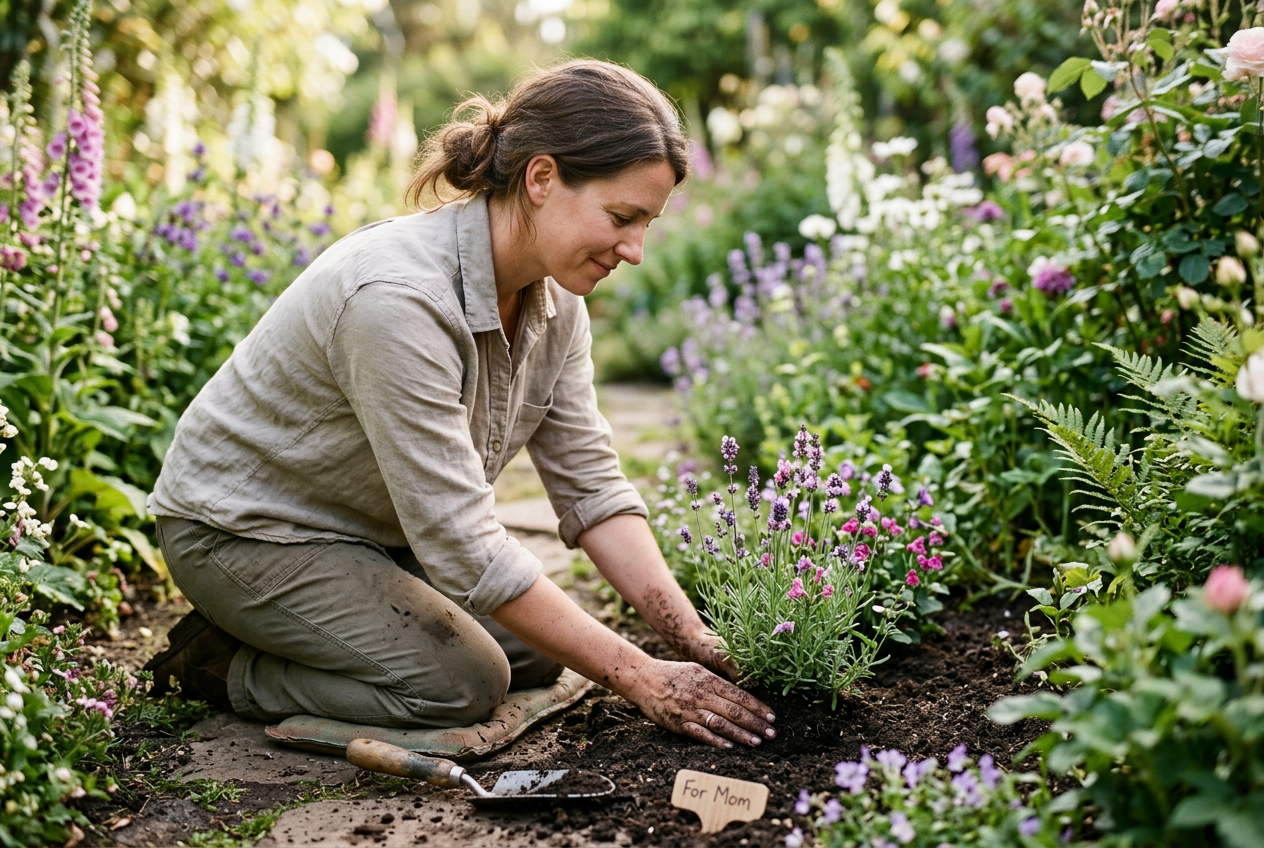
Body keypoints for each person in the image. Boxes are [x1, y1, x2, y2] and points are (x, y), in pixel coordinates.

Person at [143, 59, 775, 750]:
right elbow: (465, 546)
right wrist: (644, 678)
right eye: (622, 217)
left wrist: (687, 634)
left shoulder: (555, 304)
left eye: (646, 223)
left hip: (371, 532)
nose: (636, 250)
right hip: (248, 533)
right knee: (461, 683)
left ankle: (319, 633)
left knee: (540, 652)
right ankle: (222, 664)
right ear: (541, 178)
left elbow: (591, 486)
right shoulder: (397, 300)